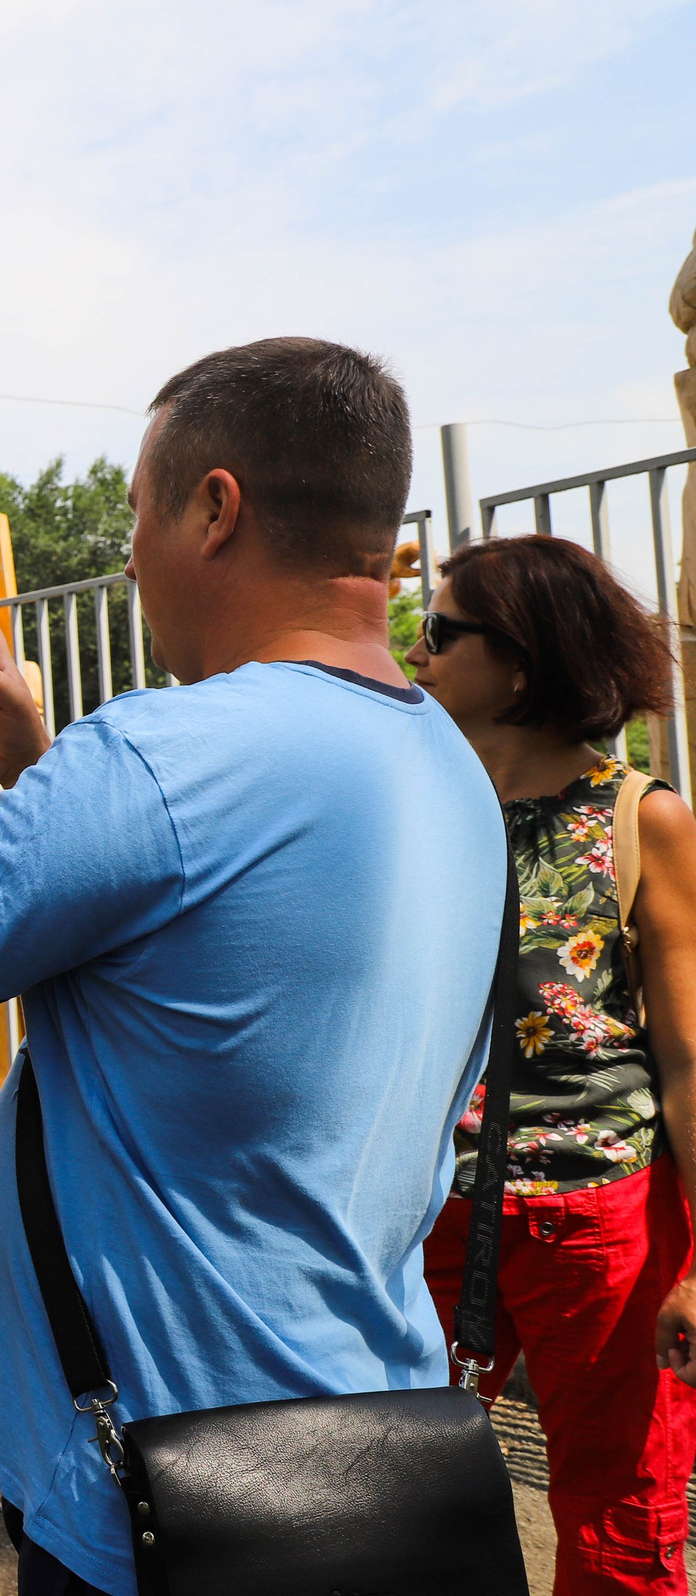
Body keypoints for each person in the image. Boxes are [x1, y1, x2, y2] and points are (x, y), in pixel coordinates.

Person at [0, 337, 505, 1595]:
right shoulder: (444, 761)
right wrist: (39, 767)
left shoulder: (167, 756)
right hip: (365, 1451)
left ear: (214, 508)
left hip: (171, 1488)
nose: (125, 555)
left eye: (136, 514)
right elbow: (212, 934)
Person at [408, 534, 696, 1593]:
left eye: (442, 633)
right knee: (385, 1489)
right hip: (424, 1212)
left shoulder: (640, 819)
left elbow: (689, 1059)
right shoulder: (419, 810)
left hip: (599, 1226)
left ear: (520, 664)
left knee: (620, 1515)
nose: (417, 652)